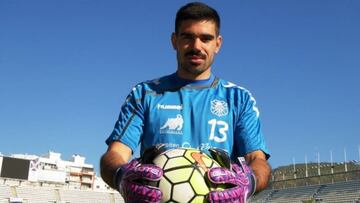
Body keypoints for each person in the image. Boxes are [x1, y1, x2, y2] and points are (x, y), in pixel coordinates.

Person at [100, 2, 271, 202]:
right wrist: (121, 176)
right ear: (174, 41)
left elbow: (257, 161)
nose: (196, 46)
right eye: (187, 37)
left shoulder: (239, 99)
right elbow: (114, 155)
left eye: (205, 38)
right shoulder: (145, 94)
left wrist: (249, 182)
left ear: (218, 43)